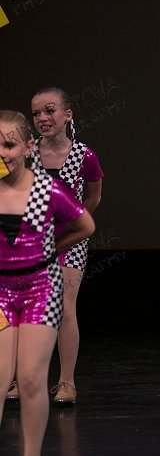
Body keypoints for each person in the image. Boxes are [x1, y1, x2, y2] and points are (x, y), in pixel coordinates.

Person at [0, 110, 95, 456]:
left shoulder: (47, 189)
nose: (2, 153)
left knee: (29, 378)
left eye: (9, 145)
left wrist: (50, 249)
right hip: (1, 293)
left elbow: (85, 225)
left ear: (28, 147)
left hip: (41, 289)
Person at [6, 87, 105, 406]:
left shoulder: (84, 155)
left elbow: (94, 196)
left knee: (64, 306)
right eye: (36, 113)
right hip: (31, 240)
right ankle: (22, 378)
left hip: (69, 240)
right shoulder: (27, 153)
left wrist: (76, 223)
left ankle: (66, 382)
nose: (42, 118)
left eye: (49, 110)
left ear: (67, 114)